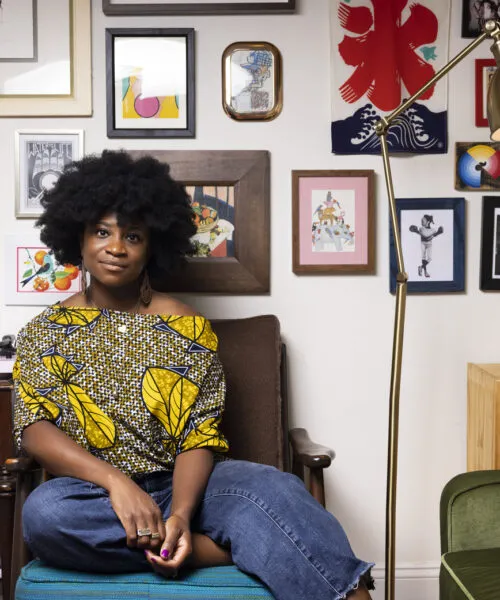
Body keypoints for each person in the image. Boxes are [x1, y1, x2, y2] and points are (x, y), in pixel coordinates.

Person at [13, 150, 374, 600]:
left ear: (153, 248)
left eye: (134, 236)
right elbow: (35, 430)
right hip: (95, 498)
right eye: (102, 231)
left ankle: (347, 594)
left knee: (276, 489)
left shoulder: (186, 325)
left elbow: (197, 435)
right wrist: (117, 483)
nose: (116, 247)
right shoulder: (44, 332)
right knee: (45, 516)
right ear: (78, 238)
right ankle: (219, 550)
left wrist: (181, 513)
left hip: (192, 487)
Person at [409, 214, 443, 278]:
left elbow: (429, 237)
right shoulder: (422, 228)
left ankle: (421, 267)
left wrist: (437, 232)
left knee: (429, 258)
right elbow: (426, 236)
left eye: (423, 220)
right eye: (421, 220)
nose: (421, 221)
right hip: (423, 243)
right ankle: (425, 272)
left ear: (428, 222)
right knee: (424, 258)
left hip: (429, 244)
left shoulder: (432, 230)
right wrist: (437, 233)